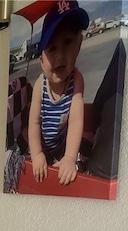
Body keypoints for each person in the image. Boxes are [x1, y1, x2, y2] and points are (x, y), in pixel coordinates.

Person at [27, 0, 89, 186]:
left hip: (63, 148)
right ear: (41, 60)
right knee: (36, 168)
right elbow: (34, 123)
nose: (60, 56)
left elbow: (76, 121)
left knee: (76, 168)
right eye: (52, 48)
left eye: (68, 42)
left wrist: (70, 157)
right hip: (41, 148)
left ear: (79, 44)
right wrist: (37, 154)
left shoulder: (76, 80)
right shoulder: (40, 84)